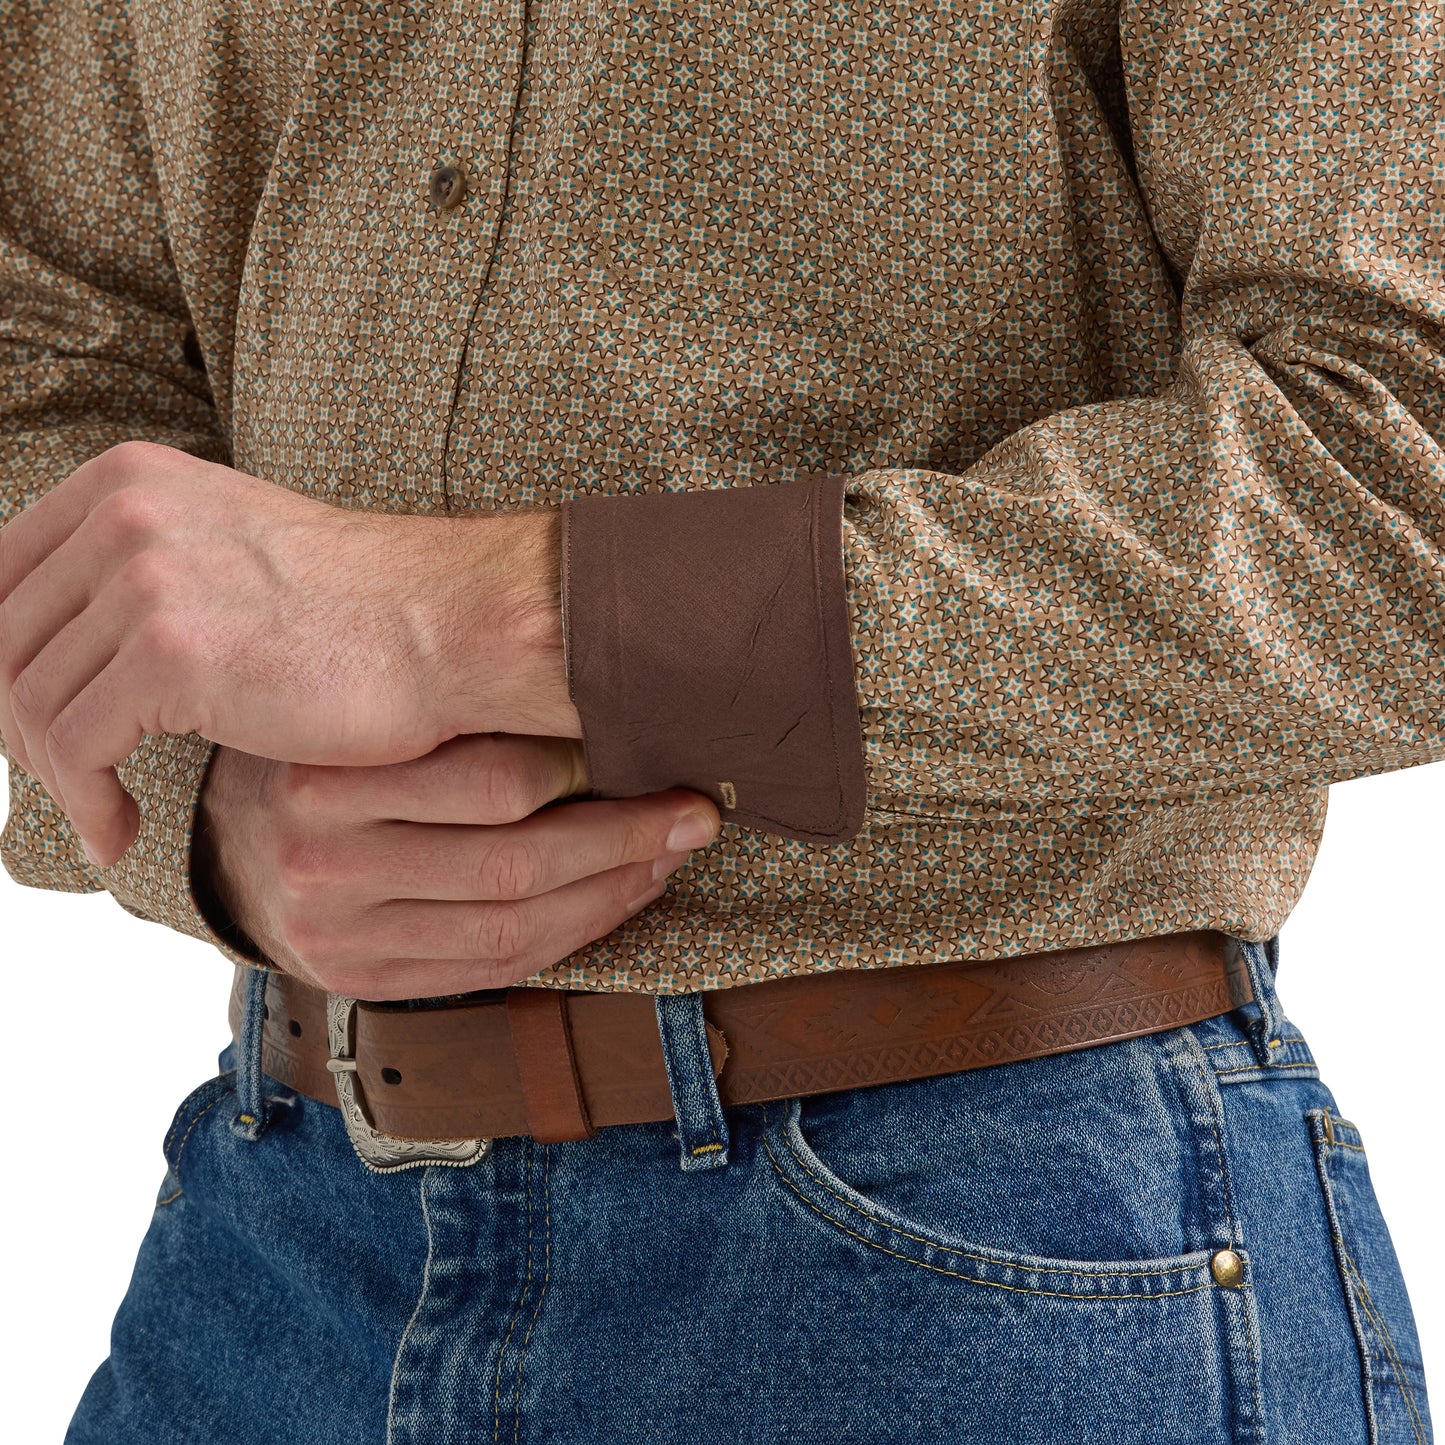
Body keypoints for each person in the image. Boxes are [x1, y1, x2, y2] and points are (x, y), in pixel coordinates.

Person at [1, 0, 1439, 1439]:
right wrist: (212, 803)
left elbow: (1398, 480)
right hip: (277, 1247)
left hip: (991, 1252)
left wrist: (490, 616)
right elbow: (46, 360)